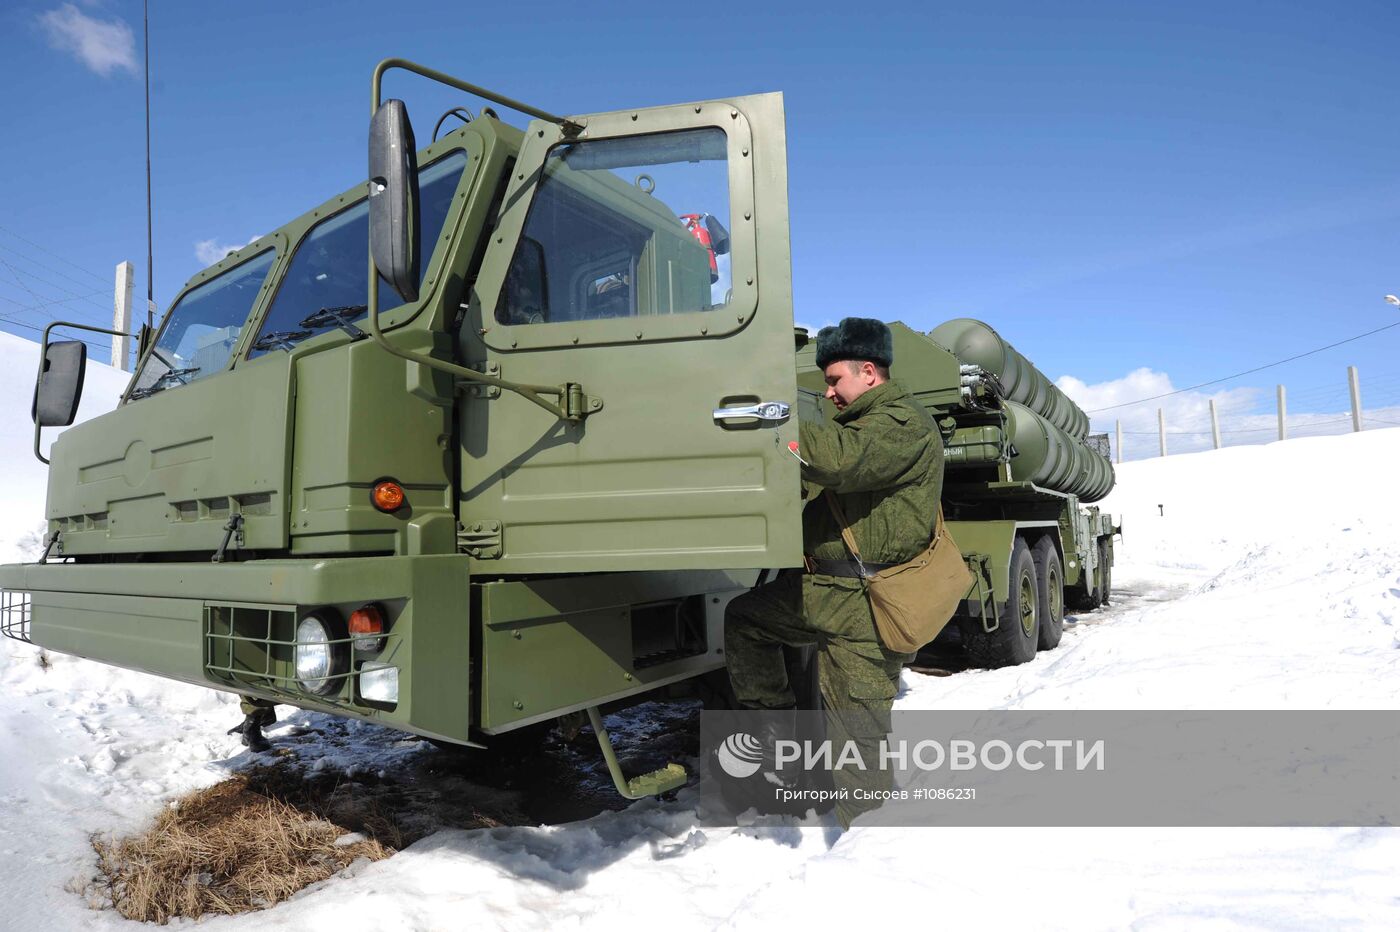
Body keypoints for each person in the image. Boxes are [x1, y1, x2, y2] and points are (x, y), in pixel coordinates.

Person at [724, 317, 944, 827]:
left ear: (869, 372)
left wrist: (773, 420)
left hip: (868, 607)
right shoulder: (865, 423)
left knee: (857, 745)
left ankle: (866, 857)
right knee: (747, 619)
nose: (828, 393)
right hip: (827, 592)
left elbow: (841, 462)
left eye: (834, 380)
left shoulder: (901, 424)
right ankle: (778, 739)